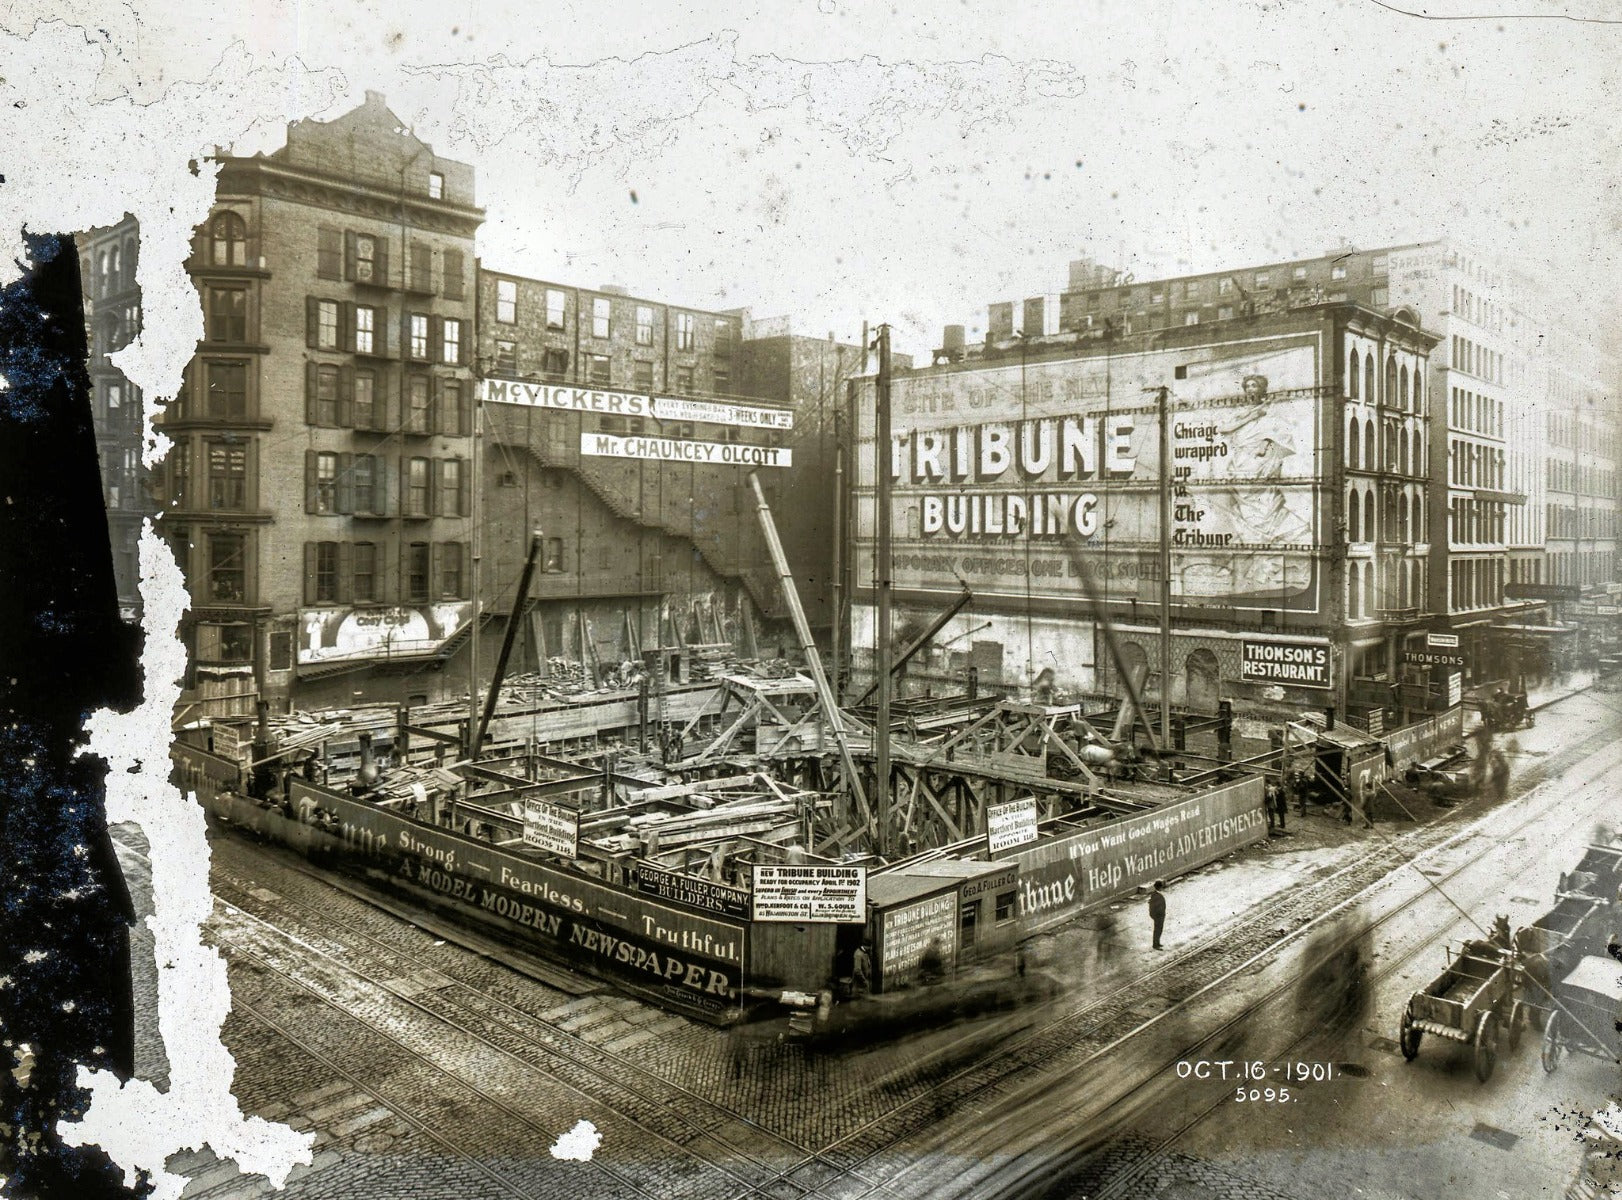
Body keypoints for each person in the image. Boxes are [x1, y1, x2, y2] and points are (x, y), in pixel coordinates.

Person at [1148, 881, 1167, 950]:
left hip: (1160, 915)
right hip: (1158, 916)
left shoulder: (1155, 894)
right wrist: (1154, 916)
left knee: (1159, 929)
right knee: (1157, 930)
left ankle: (1157, 943)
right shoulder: (1156, 895)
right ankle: (1155, 945)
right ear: (1160, 887)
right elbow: (1152, 907)